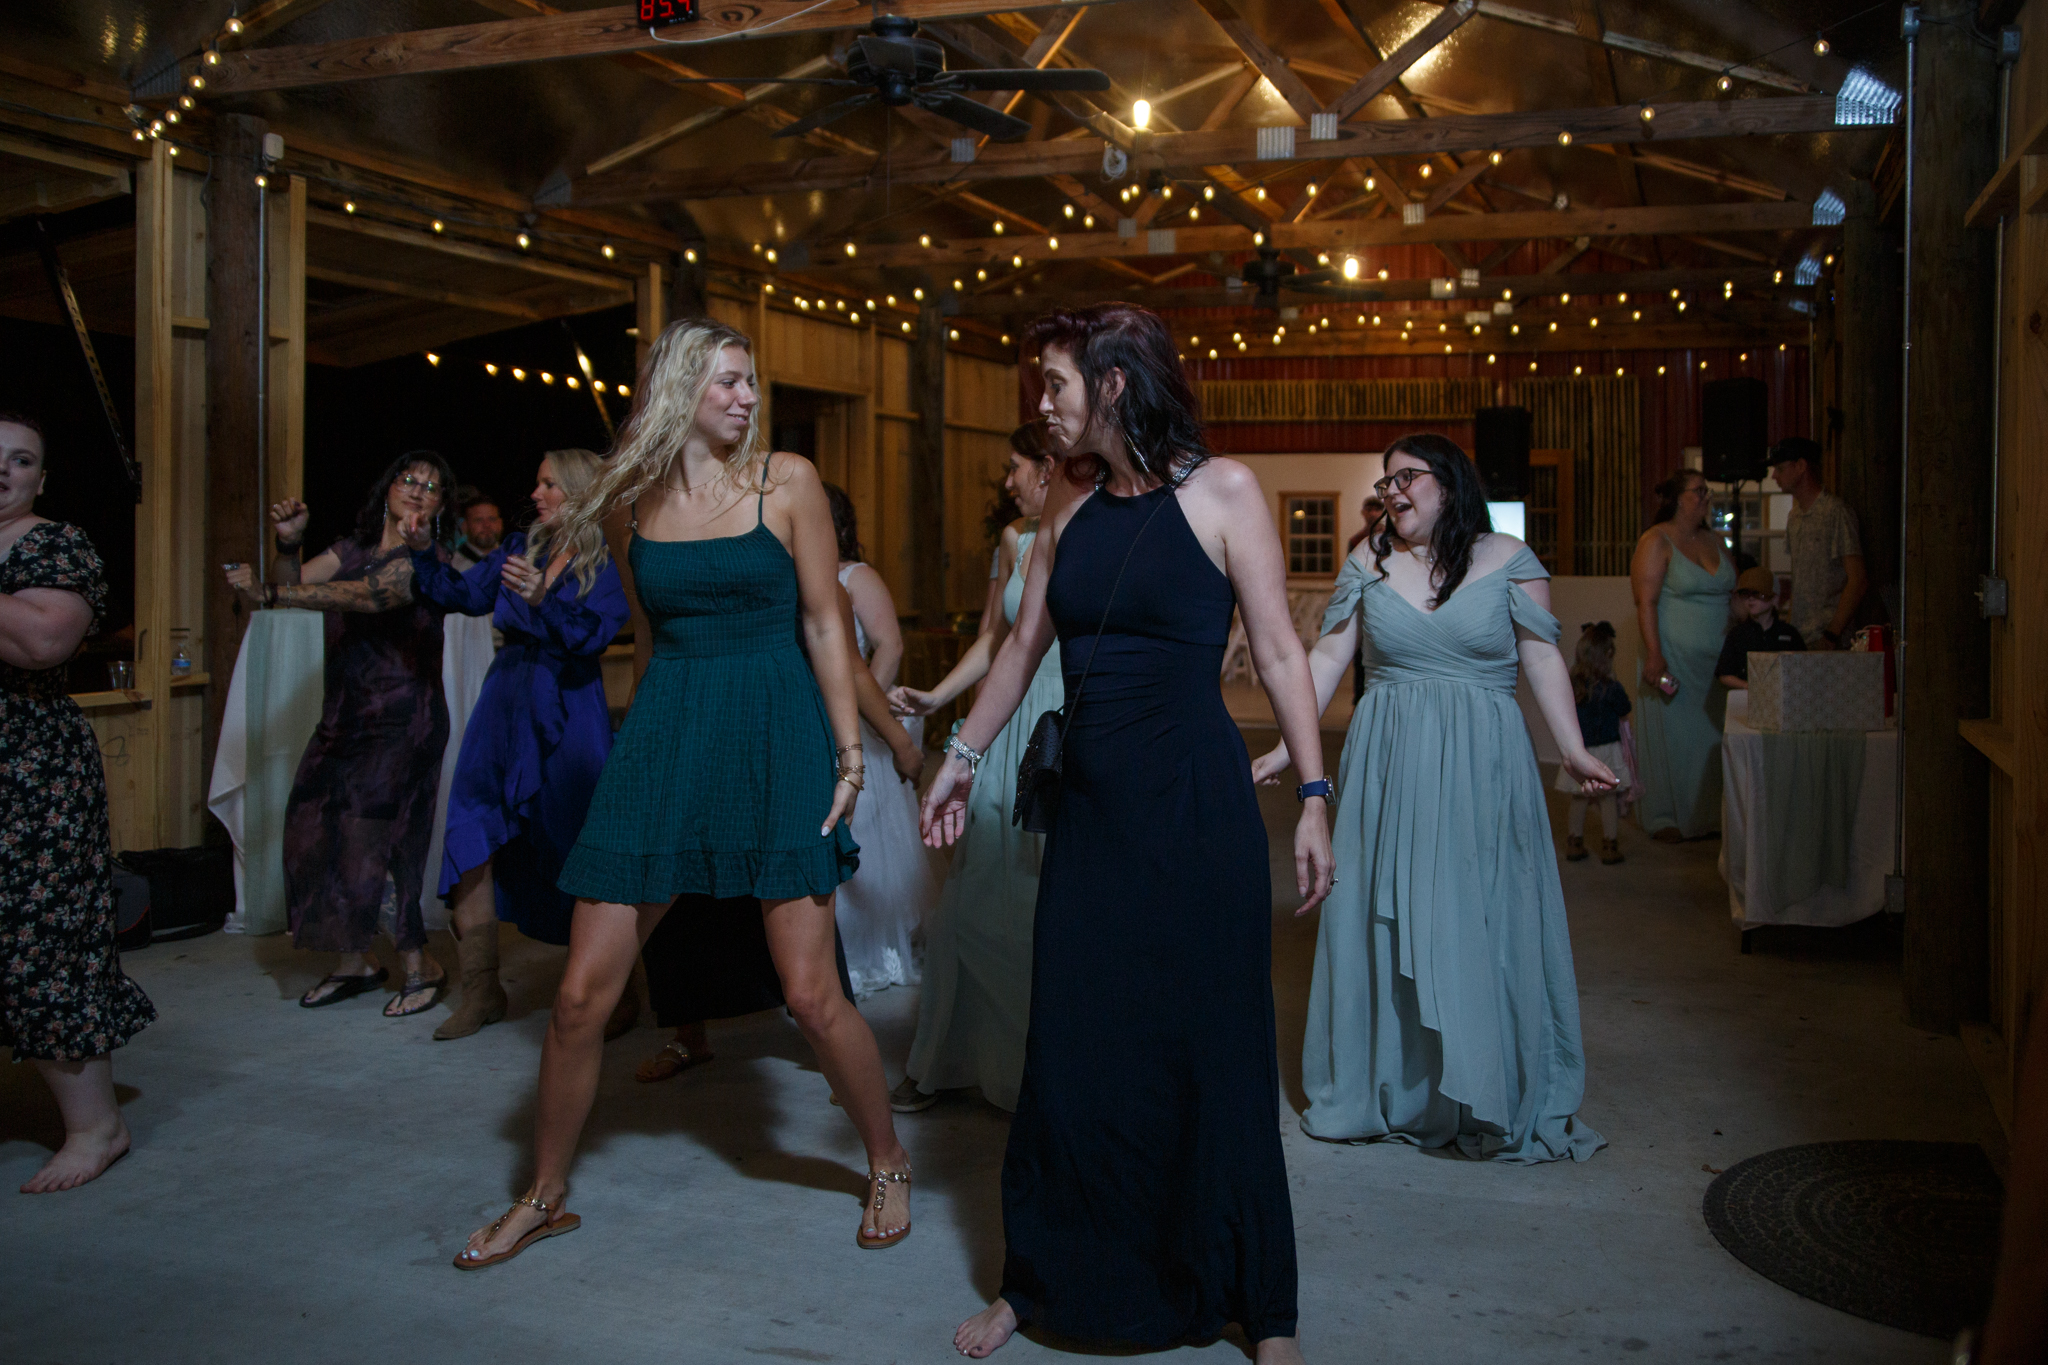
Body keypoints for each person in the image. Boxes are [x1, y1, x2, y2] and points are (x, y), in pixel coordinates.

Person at [455, 318, 913, 1269]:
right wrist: (644, 746)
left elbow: (826, 624)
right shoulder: (630, 501)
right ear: (678, 390)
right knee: (578, 997)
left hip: (776, 729)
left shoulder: (785, 481)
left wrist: (850, 751)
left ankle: (887, 1158)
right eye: (727, 382)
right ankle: (543, 1194)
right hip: (668, 735)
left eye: (750, 382)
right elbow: (652, 637)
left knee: (809, 993)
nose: (747, 397)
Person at [924, 304, 1332, 1363]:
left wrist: (1314, 795)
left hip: (1195, 811)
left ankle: (1263, 1306)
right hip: (1094, 817)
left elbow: (1280, 653)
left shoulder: (1224, 491)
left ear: (1111, 385)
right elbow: (1021, 647)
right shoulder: (1069, 500)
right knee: (1076, 1045)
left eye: (1056, 385)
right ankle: (1037, 1280)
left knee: (1213, 1048)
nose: (1042, 405)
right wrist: (961, 756)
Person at [1254, 433, 1612, 1163]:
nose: (1392, 492)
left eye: (1406, 478)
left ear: (1448, 483)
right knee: (1383, 916)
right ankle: (1400, 1089)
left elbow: (1542, 657)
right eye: (1385, 482)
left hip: (1484, 763)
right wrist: (1290, 743)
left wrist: (1574, 748)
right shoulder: (1369, 559)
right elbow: (1328, 656)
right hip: (1388, 763)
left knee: (1478, 913)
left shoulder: (1509, 558)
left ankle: (1481, 1088)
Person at [403, 449, 629, 1039]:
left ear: (580, 491)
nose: (535, 494)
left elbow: (592, 636)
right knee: (471, 832)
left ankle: (615, 990)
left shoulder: (611, 561)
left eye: (549, 484)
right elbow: (459, 595)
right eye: (536, 483)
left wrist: (541, 600)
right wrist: (424, 549)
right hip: (503, 704)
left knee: (578, 843)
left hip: (569, 708)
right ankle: (481, 992)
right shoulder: (518, 549)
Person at [227, 452, 459, 1015]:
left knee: (384, 842)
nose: (418, 490)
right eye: (409, 479)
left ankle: (419, 964)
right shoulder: (351, 549)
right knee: (314, 830)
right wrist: (287, 548)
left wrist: (271, 593)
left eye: (431, 487)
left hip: (405, 720)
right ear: (388, 488)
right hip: (344, 716)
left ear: (440, 507)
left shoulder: (429, 560)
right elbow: (293, 585)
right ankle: (353, 962)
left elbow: (371, 595)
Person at [885, 421, 1060, 1113]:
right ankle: (940, 1059)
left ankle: (1046, 1070)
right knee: (970, 895)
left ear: (1049, 466)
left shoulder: (1096, 532)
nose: (1007, 482)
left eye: (1015, 468)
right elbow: (997, 639)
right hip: (1009, 723)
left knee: (1049, 902)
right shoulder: (1015, 539)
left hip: (1067, 724)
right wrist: (938, 696)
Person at [0, 412, 155, 1192]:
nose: (2, 470)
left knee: (42, 938)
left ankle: (98, 1126)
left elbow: (42, 642)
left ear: (40, 477)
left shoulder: (59, 546)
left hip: (29, 767)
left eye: (19, 459)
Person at [823, 481, 935, 997]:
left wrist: (862, 704)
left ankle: (872, 948)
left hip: (860, 717)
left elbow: (889, 644)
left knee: (867, 836)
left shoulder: (855, 577)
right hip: (822, 716)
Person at [1629, 468, 1735, 842]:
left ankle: (1712, 816)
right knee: (1678, 739)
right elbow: (1645, 601)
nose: (1706, 497)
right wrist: (1654, 654)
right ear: (1678, 498)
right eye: (1699, 491)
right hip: (1674, 658)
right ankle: (1669, 817)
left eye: (1708, 491)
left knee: (1714, 737)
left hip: (1718, 664)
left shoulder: (1716, 540)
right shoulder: (1656, 540)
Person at [1767, 437, 1867, 648]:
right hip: (1801, 637)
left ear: (1801, 466)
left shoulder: (1835, 513)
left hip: (1829, 638)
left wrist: (1832, 634)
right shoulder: (1794, 517)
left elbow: (1857, 579)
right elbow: (1799, 580)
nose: (1774, 475)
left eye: (1781, 468)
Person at [1559, 620, 1632, 866]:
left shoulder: (1572, 686)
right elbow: (1625, 708)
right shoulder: (1611, 688)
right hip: (1606, 750)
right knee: (1608, 798)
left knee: (1579, 798)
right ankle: (1610, 845)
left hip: (1581, 750)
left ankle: (1574, 842)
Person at [1715, 566, 1804, 690]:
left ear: (1774, 598)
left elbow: (1803, 670)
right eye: (1745, 594)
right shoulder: (1737, 634)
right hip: (1747, 697)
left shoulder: (1789, 633)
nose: (1751, 599)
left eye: (1758, 593)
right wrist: (1749, 686)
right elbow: (1724, 674)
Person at [455, 493, 504, 562]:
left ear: (500, 524)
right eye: (479, 520)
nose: (487, 525)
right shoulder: (451, 564)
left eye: (492, 519)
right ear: (465, 526)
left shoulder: (515, 559)